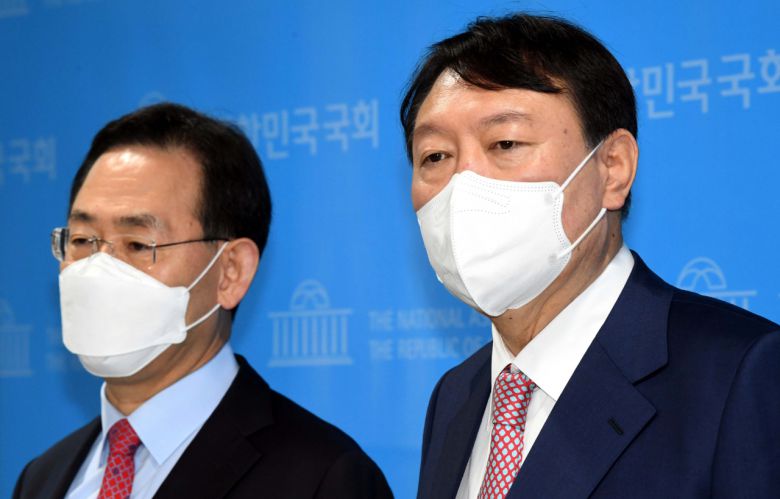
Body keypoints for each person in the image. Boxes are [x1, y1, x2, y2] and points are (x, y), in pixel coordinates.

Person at [400, 13, 780, 499]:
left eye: (505, 143)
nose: (463, 185)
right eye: (435, 156)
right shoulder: (456, 394)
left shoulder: (738, 374)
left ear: (613, 168)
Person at [13, 103, 392, 499]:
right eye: (81, 240)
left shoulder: (323, 479)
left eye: (138, 244)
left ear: (230, 271)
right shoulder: (42, 479)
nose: (98, 270)